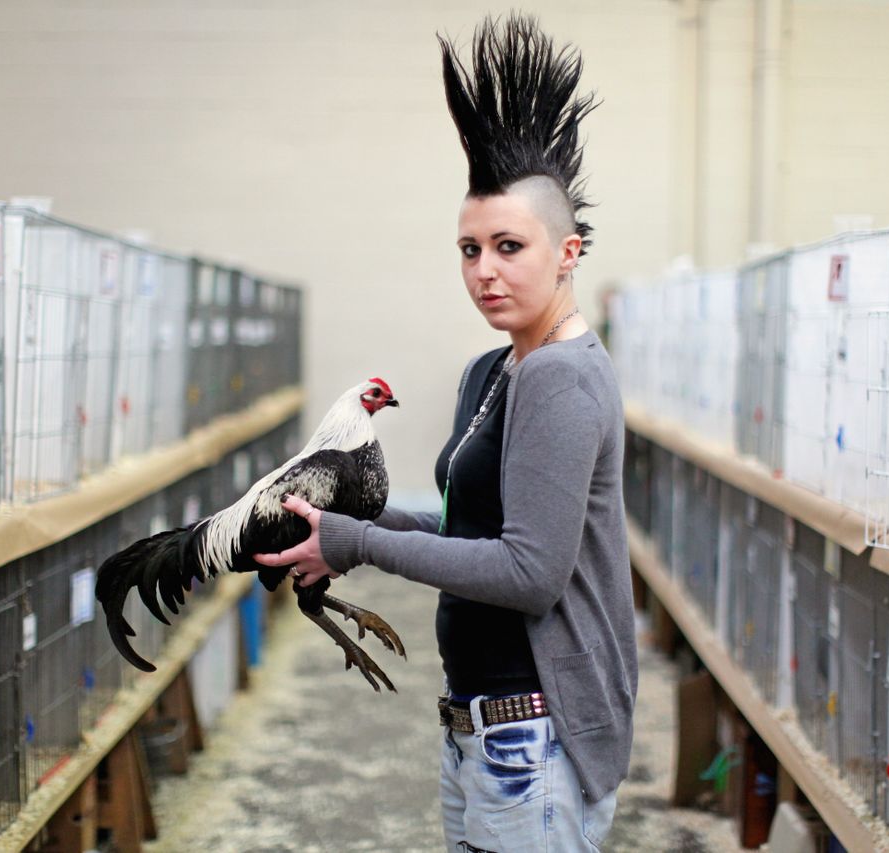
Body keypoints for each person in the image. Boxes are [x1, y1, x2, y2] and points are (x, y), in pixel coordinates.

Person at [254, 13, 636, 851]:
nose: (485, 270)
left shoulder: (563, 380)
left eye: (509, 245)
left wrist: (358, 543)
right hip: (476, 726)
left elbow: (529, 571)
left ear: (568, 252)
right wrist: (337, 526)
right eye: (469, 248)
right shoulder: (492, 371)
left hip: (534, 737)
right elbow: (471, 532)